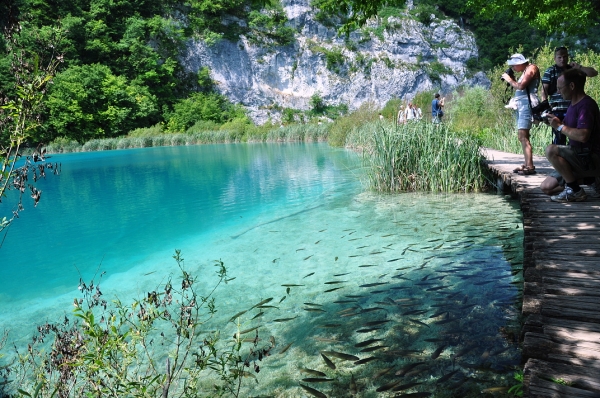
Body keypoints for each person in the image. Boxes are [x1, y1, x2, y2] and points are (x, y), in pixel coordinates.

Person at [540, 68, 600, 202]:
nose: (558, 91)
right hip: (579, 157)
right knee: (546, 187)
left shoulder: (586, 105)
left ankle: (575, 190)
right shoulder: (572, 104)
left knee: (551, 149)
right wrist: (552, 121)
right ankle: (591, 179)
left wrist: (559, 126)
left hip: (590, 157)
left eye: (560, 88)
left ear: (572, 86)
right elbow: (567, 128)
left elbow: (583, 136)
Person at [541, 46, 598, 145]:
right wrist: (545, 108)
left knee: (576, 134)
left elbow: (593, 73)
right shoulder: (550, 71)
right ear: (555, 58)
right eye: (559, 57)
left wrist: (579, 67)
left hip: (573, 108)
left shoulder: (573, 70)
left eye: (565, 56)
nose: (562, 59)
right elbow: (544, 90)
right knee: (558, 139)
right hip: (557, 109)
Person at [501, 53, 541, 175]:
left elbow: (521, 86)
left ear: (520, 63)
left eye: (514, 65)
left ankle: (530, 167)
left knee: (523, 135)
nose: (513, 68)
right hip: (521, 105)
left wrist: (509, 79)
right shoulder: (525, 71)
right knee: (522, 136)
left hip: (526, 105)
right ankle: (528, 164)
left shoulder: (531, 68)